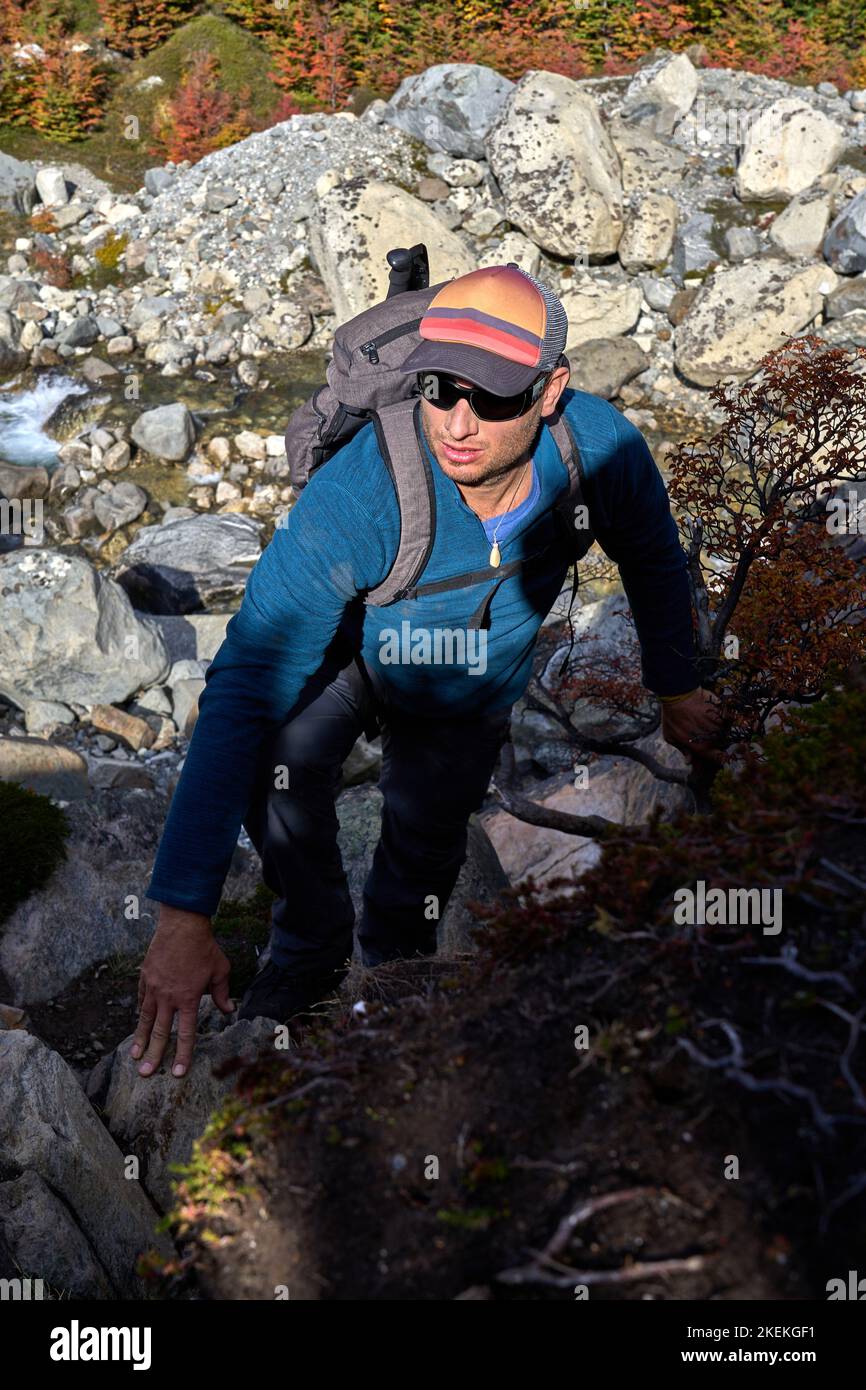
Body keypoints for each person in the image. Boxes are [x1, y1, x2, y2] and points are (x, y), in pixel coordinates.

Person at [130, 264, 722, 1080]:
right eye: (439, 388)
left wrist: (677, 687)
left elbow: (654, 560)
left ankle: (393, 977)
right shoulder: (364, 493)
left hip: (469, 681)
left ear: (552, 391)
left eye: (494, 397)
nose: (459, 421)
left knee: (425, 838)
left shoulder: (603, 451)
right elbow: (242, 684)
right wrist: (182, 912)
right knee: (281, 766)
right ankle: (308, 948)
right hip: (357, 648)